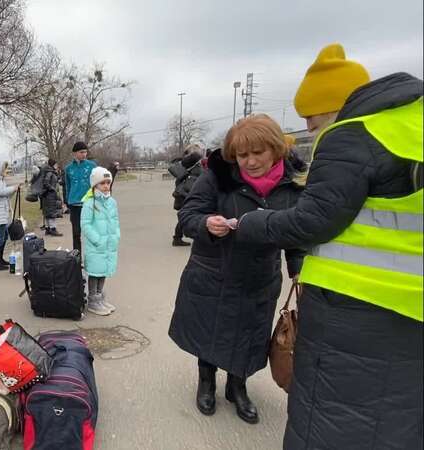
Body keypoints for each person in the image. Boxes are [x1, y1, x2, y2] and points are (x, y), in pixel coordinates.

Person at [236, 44, 422, 449]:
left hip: (358, 312)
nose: (313, 130)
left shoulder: (354, 134)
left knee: (333, 422)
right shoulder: (411, 126)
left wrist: (252, 224)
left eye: (313, 119)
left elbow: (314, 221)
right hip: (407, 313)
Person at [168, 114, 305, 425]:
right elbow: (189, 213)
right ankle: (206, 382)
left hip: (259, 277)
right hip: (213, 271)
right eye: (242, 155)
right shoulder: (218, 176)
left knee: (248, 334)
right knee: (210, 329)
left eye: (258, 153)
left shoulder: (292, 185)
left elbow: (296, 232)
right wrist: (205, 223)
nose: (250, 161)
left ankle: (237, 387)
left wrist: (297, 268)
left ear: (275, 149)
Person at [81, 167, 120, 316]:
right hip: (96, 245)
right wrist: (97, 239)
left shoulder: (112, 202)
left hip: (109, 243)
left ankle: (100, 298)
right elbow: (85, 224)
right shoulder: (90, 203)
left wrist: (116, 235)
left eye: (108, 182)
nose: (106, 186)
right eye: (102, 183)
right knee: (95, 273)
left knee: (103, 271)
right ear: (95, 185)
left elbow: (115, 221)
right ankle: (93, 300)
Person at [64, 141, 97, 254]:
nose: (84, 154)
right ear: (75, 153)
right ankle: (76, 258)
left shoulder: (92, 165)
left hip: (88, 204)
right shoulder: (68, 168)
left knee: (90, 232)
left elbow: (97, 184)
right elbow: (67, 186)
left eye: (85, 152)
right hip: (74, 204)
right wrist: (67, 201)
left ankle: (91, 256)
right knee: (76, 233)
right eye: (81, 152)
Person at [170, 150, 203, 246]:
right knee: (186, 217)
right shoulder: (195, 168)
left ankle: (178, 238)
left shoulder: (184, 167)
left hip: (181, 194)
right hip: (185, 194)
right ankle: (177, 238)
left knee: (185, 216)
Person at [40, 159, 64, 236]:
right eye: (56, 164)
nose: (57, 166)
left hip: (46, 195)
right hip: (49, 196)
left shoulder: (48, 172)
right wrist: (52, 189)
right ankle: (53, 229)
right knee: (52, 213)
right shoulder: (50, 173)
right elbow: (46, 183)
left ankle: (48, 229)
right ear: (52, 164)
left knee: (48, 213)